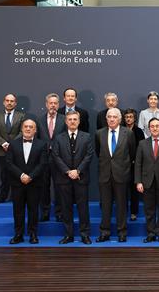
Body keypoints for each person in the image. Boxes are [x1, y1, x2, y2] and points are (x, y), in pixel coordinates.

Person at [52, 111, 94, 245]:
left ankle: (85, 235)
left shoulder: (87, 137)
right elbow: (56, 156)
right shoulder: (58, 138)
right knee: (66, 208)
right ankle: (68, 235)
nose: (72, 121)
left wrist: (78, 170)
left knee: (83, 208)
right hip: (64, 179)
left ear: (79, 121)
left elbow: (89, 155)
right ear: (66, 121)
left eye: (75, 119)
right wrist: (67, 171)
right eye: (69, 119)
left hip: (81, 178)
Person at [95, 108, 136, 243]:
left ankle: (122, 232)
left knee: (121, 205)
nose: (112, 119)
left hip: (122, 174)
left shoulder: (128, 133)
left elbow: (132, 154)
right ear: (106, 119)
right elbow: (98, 152)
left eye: (114, 117)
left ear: (120, 119)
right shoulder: (99, 133)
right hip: (105, 175)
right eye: (109, 117)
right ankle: (104, 232)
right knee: (105, 205)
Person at [6, 119, 48, 244]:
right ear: (22, 129)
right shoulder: (13, 144)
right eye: (26, 126)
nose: (28, 129)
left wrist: (30, 176)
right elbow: (9, 163)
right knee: (17, 210)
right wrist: (21, 175)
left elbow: (43, 164)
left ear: (35, 130)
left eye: (31, 127)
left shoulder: (42, 144)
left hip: (34, 183)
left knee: (33, 209)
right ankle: (18, 234)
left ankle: (33, 234)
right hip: (17, 183)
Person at [135, 117, 159, 244]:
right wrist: (138, 181)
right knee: (149, 210)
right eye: (152, 126)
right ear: (148, 128)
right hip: (147, 182)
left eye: (157, 126)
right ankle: (151, 234)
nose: (155, 128)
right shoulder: (142, 144)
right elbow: (138, 165)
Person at [37, 93, 66, 222]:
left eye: (55, 103)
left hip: (59, 159)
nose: (53, 105)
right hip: (43, 159)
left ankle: (59, 212)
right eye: (50, 103)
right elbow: (37, 140)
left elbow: (66, 138)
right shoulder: (39, 120)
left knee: (59, 186)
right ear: (46, 104)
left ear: (58, 105)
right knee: (44, 186)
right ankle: (45, 212)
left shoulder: (64, 119)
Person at [0, 93, 25, 204]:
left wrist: (12, 145)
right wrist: (3, 144)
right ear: (4, 102)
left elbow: (22, 132)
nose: (9, 103)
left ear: (15, 103)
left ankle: (16, 197)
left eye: (12, 101)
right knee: (4, 175)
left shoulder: (21, 116)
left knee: (17, 174)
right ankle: (2, 196)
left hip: (16, 150)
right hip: (2, 150)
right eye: (7, 100)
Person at [123, 108, 145, 221]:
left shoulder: (139, 131)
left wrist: (136, 160)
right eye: (126, 117)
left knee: (134, 190)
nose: (128, 119)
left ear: (134, 118)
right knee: (122, 190)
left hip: (135, 164)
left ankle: (133, 212)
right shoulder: (121, 130)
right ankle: (123, 212)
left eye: (130, 117)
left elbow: (142, 148)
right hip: (122, 165)